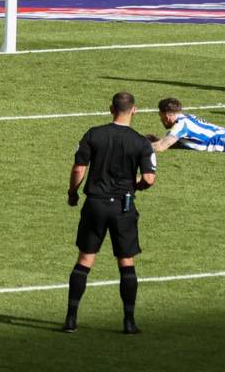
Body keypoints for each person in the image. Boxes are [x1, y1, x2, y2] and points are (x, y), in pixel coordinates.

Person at [64, 92, 156, 335]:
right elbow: (149, 178)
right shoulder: (141, 142)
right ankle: (128, 322)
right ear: (134, 110)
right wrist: (134, 186)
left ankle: (71, 319)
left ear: (110, 109)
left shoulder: (94, 134)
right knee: (126, 262)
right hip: (123, 207)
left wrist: (72, 192)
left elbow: (78, 168)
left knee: (84, 260)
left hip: (95, 203)